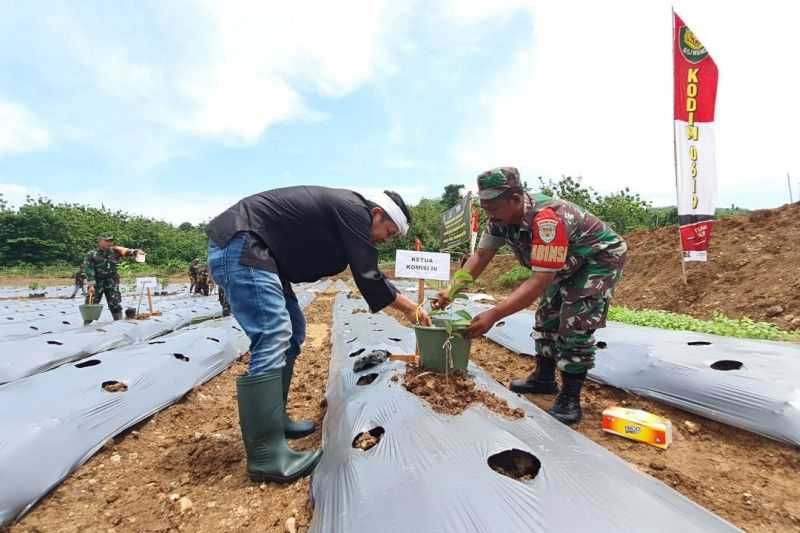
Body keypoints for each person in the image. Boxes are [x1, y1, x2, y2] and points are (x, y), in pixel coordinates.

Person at [206, 186, 431, 484]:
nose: (382, 239)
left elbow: (367, 268)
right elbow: (367, 274)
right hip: (242, 242)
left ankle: (276, 421)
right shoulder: (353, 209)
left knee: (293, 331)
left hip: (262, 254)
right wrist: (409, 309)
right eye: (387, 232)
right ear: (376, 214)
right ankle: (265, 454)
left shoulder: (350, 213)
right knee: (273, 334)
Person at [434, 168, 627, 425]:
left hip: (596, 259)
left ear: (515, 198)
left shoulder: (547, 220)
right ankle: (544, 379)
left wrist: (493, 314)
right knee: (547, 314)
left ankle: (570, 398)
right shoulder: (498, 220)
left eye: (494, 207)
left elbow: (538, 281)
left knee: (574, 323)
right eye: (486, 207)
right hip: (562, 263)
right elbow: (480, 257)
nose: (490, 215)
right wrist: (451, 291)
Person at [83, 234, 144, 323]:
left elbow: (127, 251)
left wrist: (136, 251)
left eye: (110, 241)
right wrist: (91, 284)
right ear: (100, 241)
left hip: (111, 281)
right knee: (91, 303)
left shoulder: (115, 251)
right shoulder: (92, 254)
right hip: (97, 282)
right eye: (106, 241)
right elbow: (89, 269)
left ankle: (118, 323)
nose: (109, 243)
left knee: (115, 303)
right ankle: (87, 325)